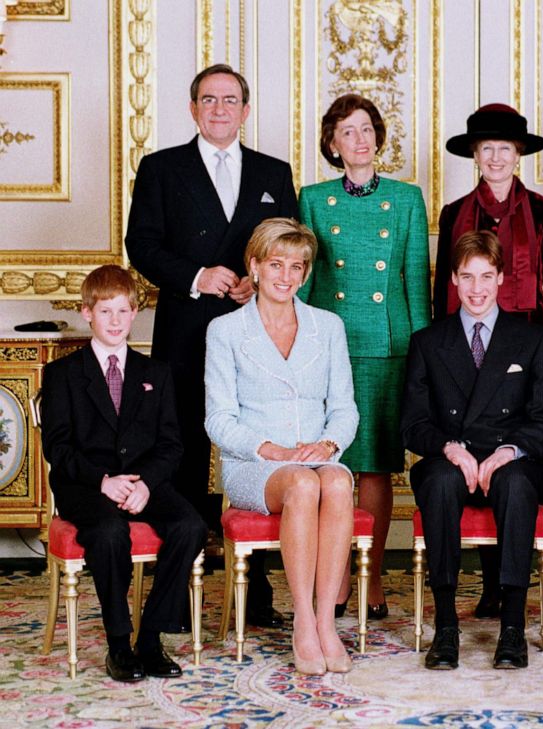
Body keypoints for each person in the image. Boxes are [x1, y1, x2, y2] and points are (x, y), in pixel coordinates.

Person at [125, 63, 297, 629]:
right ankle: (178, 595)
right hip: (187, 333)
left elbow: (288, 245)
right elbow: (141, 245)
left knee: (254, 450)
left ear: (245, 111)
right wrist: (198, 275)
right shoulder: (161, 168)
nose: (220, 108)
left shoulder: (275, 171)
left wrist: (257, 278)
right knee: (185, 457)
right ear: (193, 108)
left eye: (230, 100)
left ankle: (258, 595)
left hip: (258, 332)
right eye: (208, 99)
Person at [401, 230, 543, 671]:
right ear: (453, 279)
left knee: (515, 484)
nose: (477, 288)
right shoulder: (428, 342)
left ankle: (512, 626)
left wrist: (508, 451)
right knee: (438, 481)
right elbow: (412, 425)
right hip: (449, 459)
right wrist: (450, 449)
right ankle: (447, 625)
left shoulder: (528, 339)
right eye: (467, 277)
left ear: (501, 278)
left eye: (486, 276)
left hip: (507, 461)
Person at [437, 103, 543, 618]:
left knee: (515, 462)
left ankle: (510, 585)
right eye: (487, 148)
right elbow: (441, 295)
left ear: (519, 155)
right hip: (468, 356)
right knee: (472, 458)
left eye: (505, 149)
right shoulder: (454, 214)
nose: (496, 157)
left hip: (527, 361)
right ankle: (487, 584)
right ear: (475, 155)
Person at [204, 218, 359, 675]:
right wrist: (269, 449)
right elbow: (218, 419)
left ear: (307, 273)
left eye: (296, 267)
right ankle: (304, 622)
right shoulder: (226, 331)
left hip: (317, 455)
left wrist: (328, 443)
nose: (286, 276)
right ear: (254, 266)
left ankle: (327, 623)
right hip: (253, 464)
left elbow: (345, 410)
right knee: (303, 486)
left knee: (334, 482)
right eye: (276, 264)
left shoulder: (328, 326)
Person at [298, 93, 431, 620]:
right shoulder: (312, 198)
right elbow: (305, 285)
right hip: (330, 347)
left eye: (367, 129)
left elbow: (415, 284)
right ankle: (332, 579)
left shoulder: (405, 199)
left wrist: (423, 357)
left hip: (385, 348)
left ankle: (370, 574)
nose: (360, 139)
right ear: (332, 144)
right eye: (347, 131)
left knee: (374, 468)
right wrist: (297, 351)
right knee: (333, 464)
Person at [40, 265, 208, 682]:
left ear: (135, 313)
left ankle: (150, 639)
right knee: (110, 532)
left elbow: (171, 445)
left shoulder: (156, 373)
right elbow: (57, 448)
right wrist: (104, 481)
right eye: (105, 312)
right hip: (86, 484)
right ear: (87, 314)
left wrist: (147, 483)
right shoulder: (63, 374)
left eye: (123, 311)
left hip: (142, 481)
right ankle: (119, 643)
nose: (115, 321)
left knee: (190, 525)